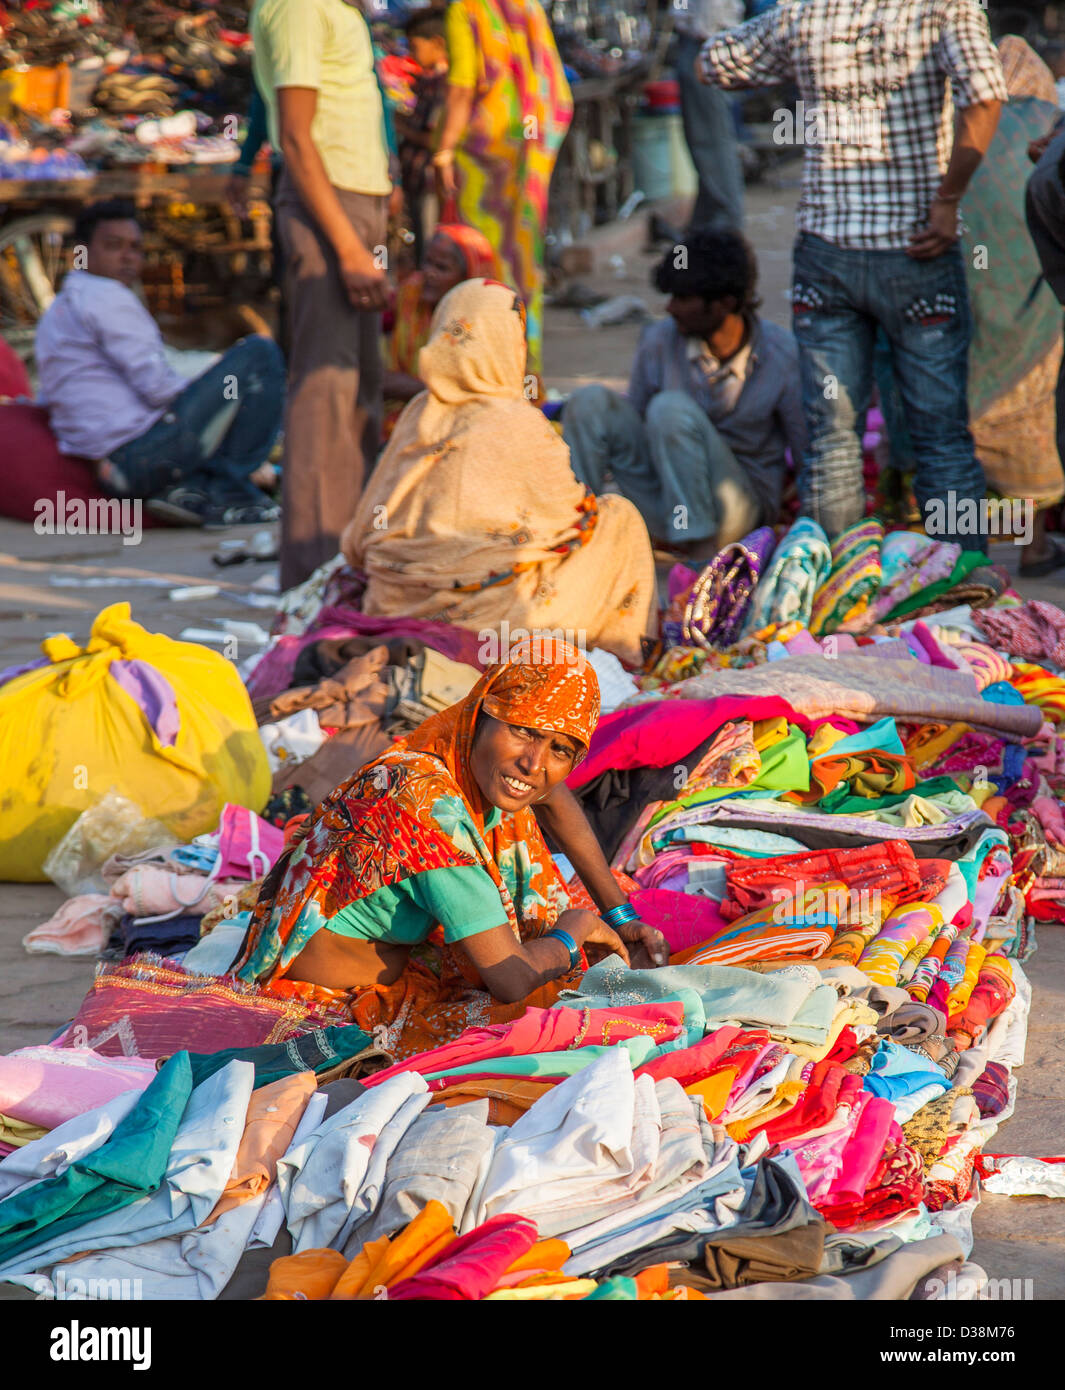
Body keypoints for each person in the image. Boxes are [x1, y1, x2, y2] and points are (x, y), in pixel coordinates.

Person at [235, 639, 668, 1059]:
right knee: (548, 1022)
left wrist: (621, 914)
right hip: (332, 1005)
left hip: (380, 967)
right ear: (482, 713)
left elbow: (553, 797)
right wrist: (575, 930)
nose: (534, 763)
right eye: (522, 729)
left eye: (560, 749)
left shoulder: (444, 749)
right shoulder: (432, 810)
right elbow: (511, 979)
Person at [699, 0, 1008, 548]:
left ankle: (842, 601)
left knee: (832, 442)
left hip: (827, 256)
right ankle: (962, 592)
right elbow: (984, 97)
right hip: (918, 252)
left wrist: (806, 63)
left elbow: (713, 63)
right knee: (942, 438)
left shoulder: (804, 13)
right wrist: (948, 199)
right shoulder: (945, 9)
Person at [342, 278, 658, 668]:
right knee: (618, 518)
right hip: (492, 622)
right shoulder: (515, 421)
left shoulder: (419, 411)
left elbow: (358, 541)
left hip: (390, 603)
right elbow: (573, 519)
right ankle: (625, 653)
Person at [878, 36, 1065, 575]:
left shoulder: (938, 126)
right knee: (1030, 412)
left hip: (938, 317)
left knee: (943, 428)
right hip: (1024, 311)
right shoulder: (1039, 129)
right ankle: (1031, 546)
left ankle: (941, 554)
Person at [252, 0, 394, 590]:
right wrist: (349, 247)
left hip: (352, 204)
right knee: (324, 392)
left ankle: (345, 563)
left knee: (358, 392)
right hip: (327, 208)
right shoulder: (299, 6)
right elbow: (295, 137)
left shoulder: (335, 9)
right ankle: (311, 577)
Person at [34, 199, 283, 528]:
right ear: (81, 252)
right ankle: (230, 492)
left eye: (135, 248)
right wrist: (218, 404)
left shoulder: (60, 308)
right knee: (258, 355)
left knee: (226, 379)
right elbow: (158, 388)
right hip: (141, 458)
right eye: (113, 246)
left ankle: (189, 492)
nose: (128, 257)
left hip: (115, 470)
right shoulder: (104, 297)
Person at [563, 226, 807, 560]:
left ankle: (698, 556)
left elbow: (808, 452)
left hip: (736, 510)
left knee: (669, 409)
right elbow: (631, 427)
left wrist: (813, 533)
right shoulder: (658, 341)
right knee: (587, 401)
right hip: (667, 502)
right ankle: (577, 534)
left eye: (683, 299)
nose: (670, 308)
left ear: (725, 303)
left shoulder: (783, 355)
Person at [431, 0, 572, 374]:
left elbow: (462, 86)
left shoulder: (466, 10)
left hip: (484, 158)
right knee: (523, 262)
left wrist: (443, 149)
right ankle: (527, 374)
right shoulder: (527, 6)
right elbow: (556, 87)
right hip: (528, 153)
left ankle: (487, 374)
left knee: (482, 266)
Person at [382, 221, 497, 437]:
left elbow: (482, 394)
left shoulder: (487, 320)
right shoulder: (409, 296)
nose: (429, 274)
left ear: (468, 277)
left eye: (442, 268)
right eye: (427, 263)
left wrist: (417, 390)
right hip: (403, 417)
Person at [673, 0, 745, 233]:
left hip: (704, 42)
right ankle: (705, 224)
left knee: (710, 139)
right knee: (704, 138)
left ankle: (725, 225)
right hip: (701, 41)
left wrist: (705, 38)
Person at [396, 5, 451, 263]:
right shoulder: (429, 81)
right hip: (420, 178)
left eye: (414, 46)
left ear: (437, 43)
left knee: (430, 250)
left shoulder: (444, 85)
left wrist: (398, 124)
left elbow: (433, 138)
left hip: (430, 180)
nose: (411, 54)